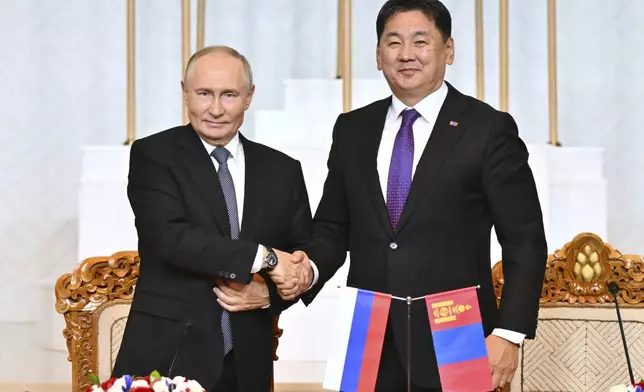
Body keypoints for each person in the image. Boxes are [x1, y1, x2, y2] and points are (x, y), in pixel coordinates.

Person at [275, 0, 548, 390]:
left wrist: (509, 333)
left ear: (448, 50)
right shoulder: (352, 129)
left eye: (421, 41)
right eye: (394, 42)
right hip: (366, 334)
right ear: (377, 54)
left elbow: (524, 239)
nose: (406, 55)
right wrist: (308, 270)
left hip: (456, 333)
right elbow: (334, 228)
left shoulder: (488, 130)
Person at [112, 45, 312, 392]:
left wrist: (270, 295)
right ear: (185, 93)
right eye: (204, 94)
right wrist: (262, 257)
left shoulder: (283, 170)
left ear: (249, 97)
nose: (216, 109)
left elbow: (299, 255)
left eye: (229, 95)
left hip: (249, 362)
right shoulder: (154, 155)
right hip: (168, 359)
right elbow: (169, 239)